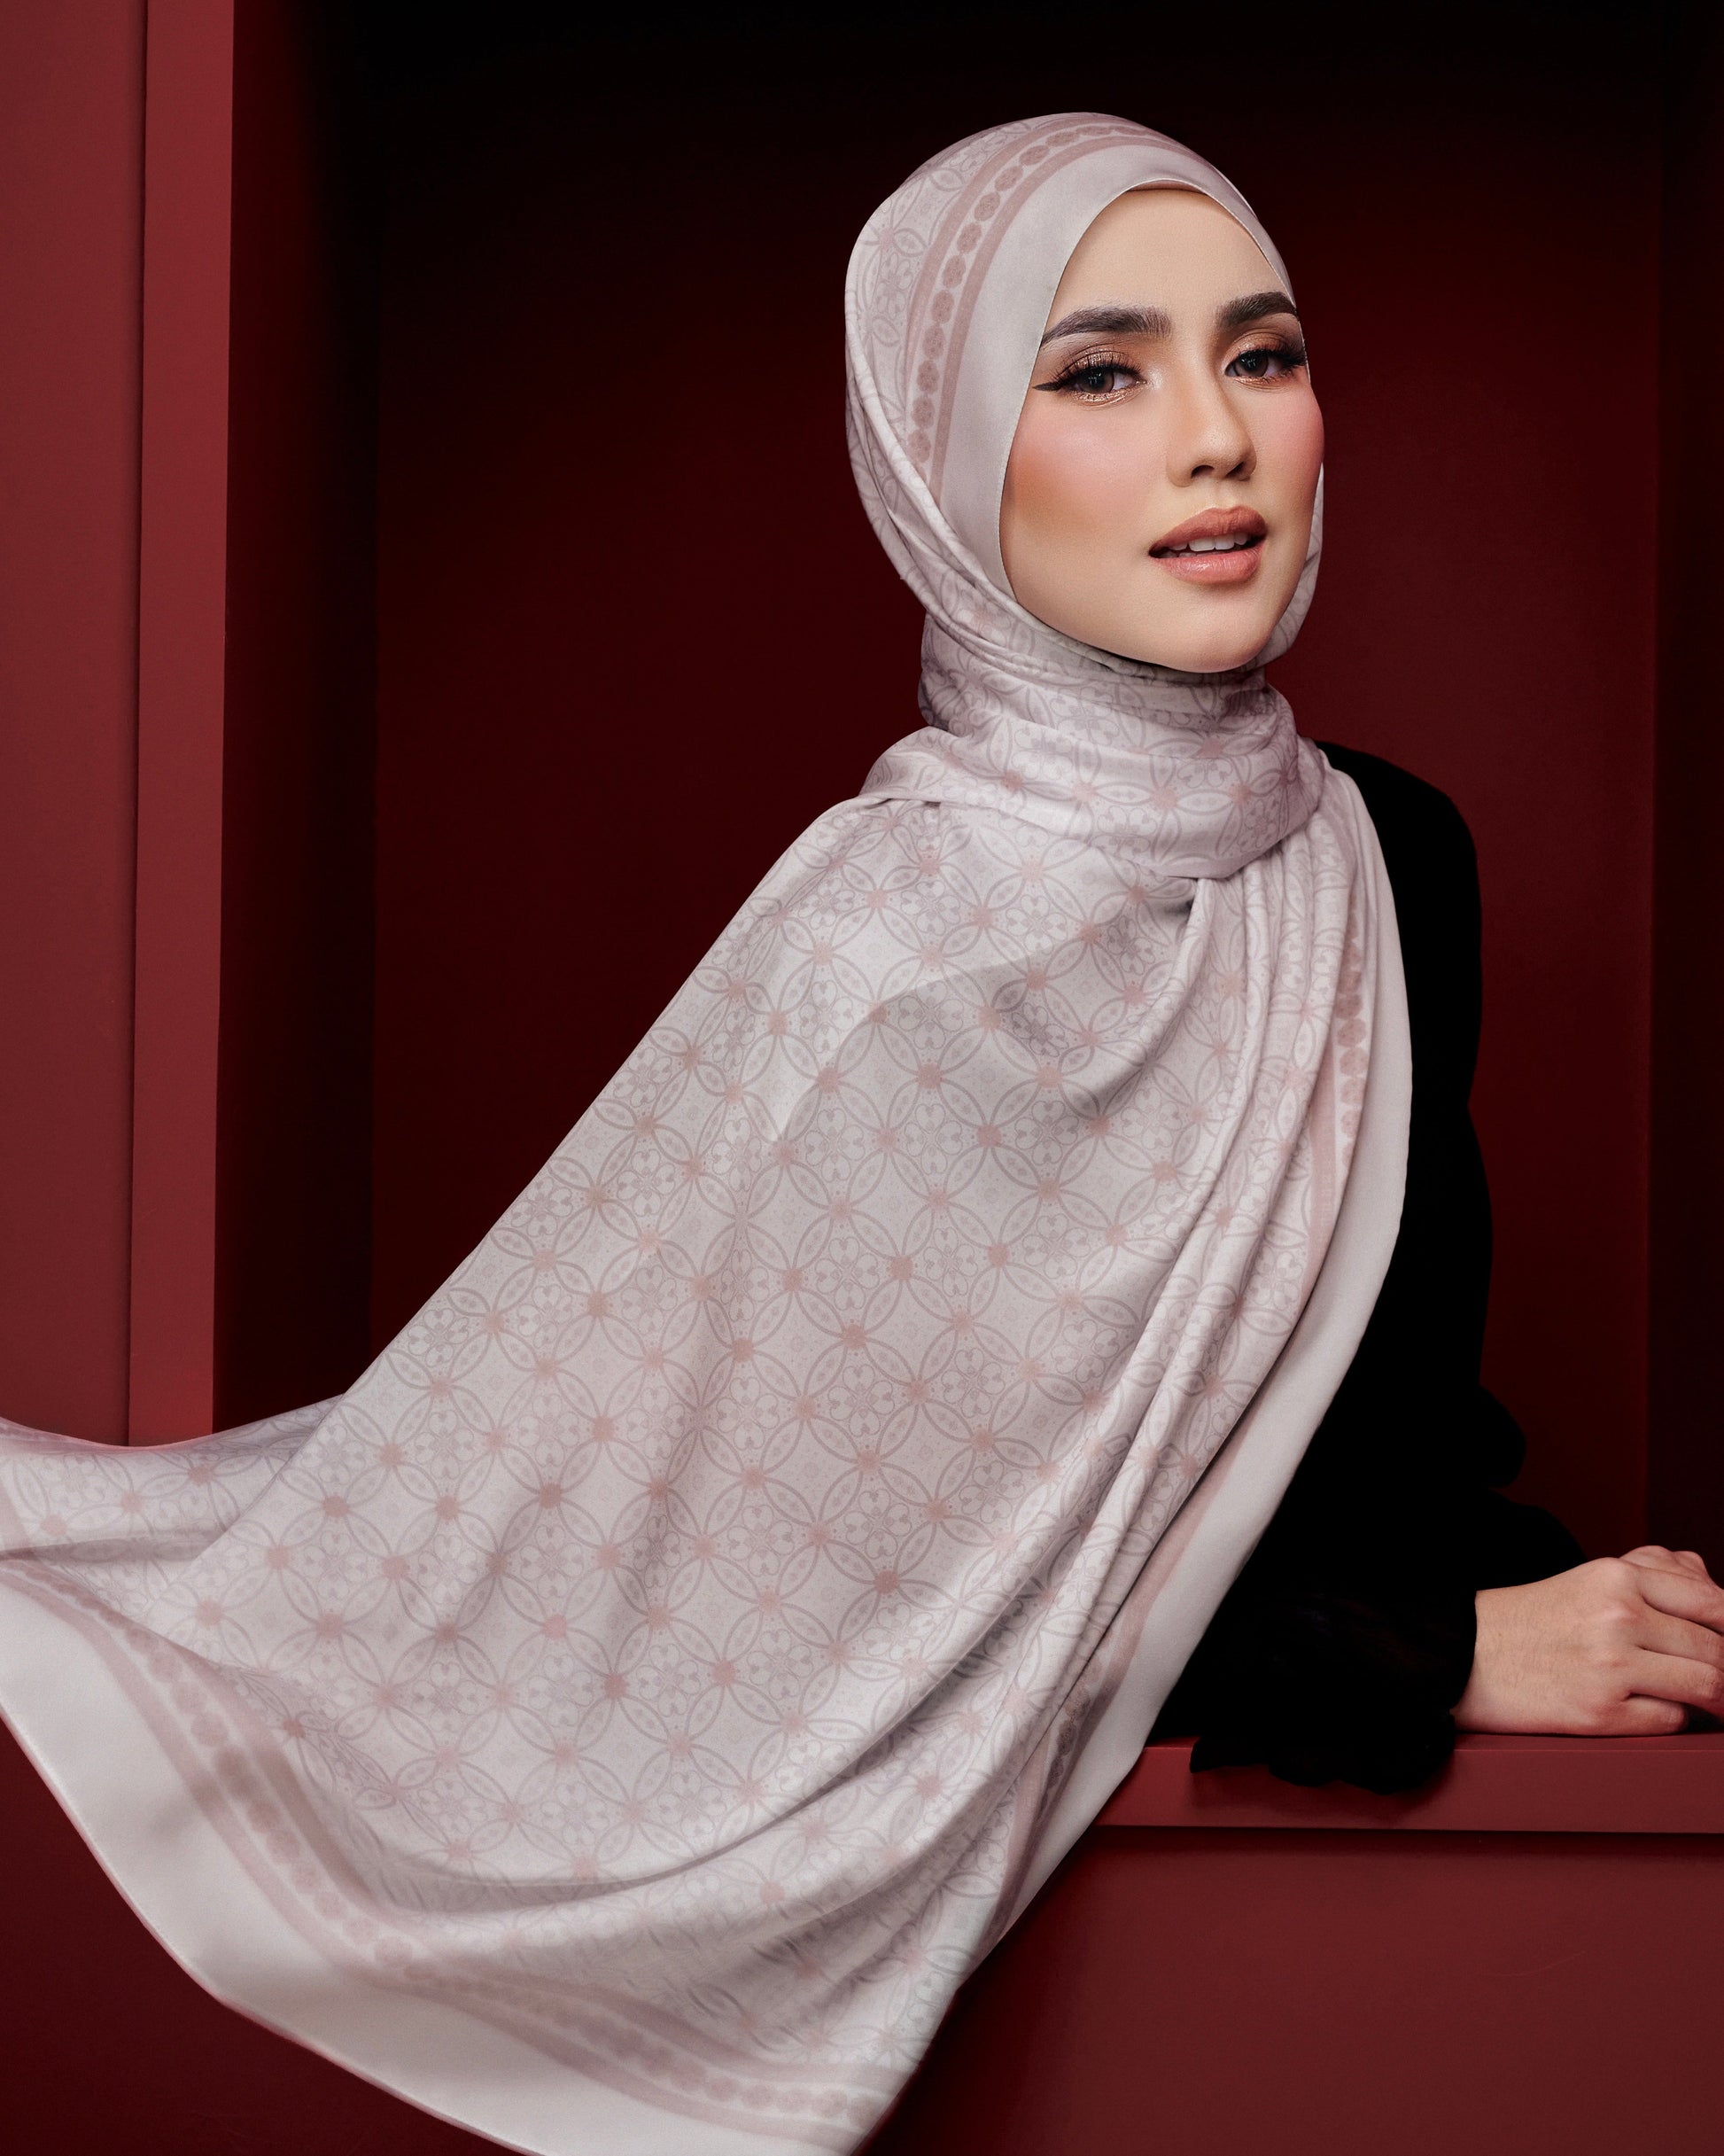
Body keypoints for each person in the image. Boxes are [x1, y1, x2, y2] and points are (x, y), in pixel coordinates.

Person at [0, 111, 1720, 2156]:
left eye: (1259, 354)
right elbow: (836, 1615)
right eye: (1098, 372)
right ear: (937, 453)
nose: (1216, 439)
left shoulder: (1383, 855)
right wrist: (1415, 1656)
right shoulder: (883, 957)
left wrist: (1541, 1614)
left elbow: (1384, 1445)